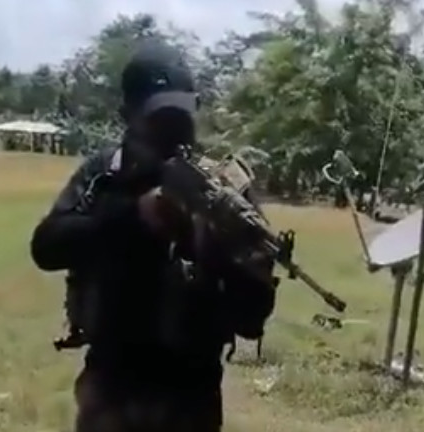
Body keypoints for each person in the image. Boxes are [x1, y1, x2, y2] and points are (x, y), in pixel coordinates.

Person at [30, 41, 277, 432]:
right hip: (111, 388)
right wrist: (135, 216)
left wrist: (214, 247)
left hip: (192, 396)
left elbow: (253, 314)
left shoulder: (223, 189)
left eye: (182, 115)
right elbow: (47, 246)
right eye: (160, 118)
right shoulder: (105, 174)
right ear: (127, 116)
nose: (175, 130)